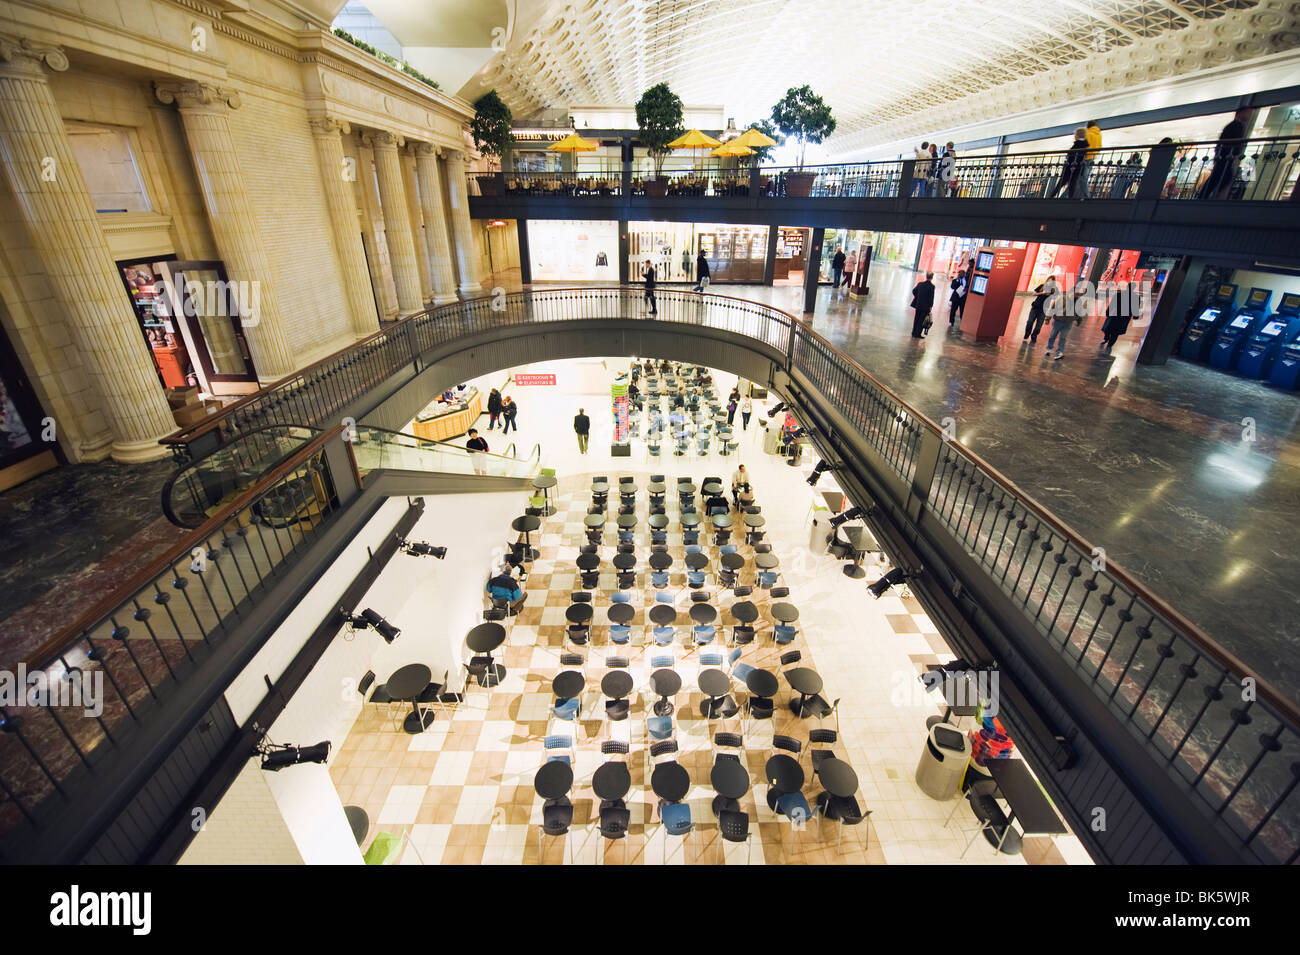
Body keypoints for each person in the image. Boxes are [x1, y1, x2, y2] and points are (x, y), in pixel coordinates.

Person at [1198, 108, 1251, 200]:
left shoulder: (1234, 125)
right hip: (1225, 156)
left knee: (1218, 176)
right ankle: (1205, 197)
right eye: (1247, 113)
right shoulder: (1236, 125)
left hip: (1224, 155)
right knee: (1223, 176)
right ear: (1240, 113)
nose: (1249, 116)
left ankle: (1205, 196)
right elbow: (1231, 141)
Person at [1045, 282, 1083, 360]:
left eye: (1078, 294)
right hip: (1058, 321)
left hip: (1068, 322)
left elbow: (1079, 312)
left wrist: (1079, 320)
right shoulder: (1061, 298)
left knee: (1063, 337)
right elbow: (1052, 307)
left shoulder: (1078, 301)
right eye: (1076, 293)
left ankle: (1060, 352)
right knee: (1052, 336)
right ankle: (1049, 348)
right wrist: (1047, 318)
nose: (1077, 295)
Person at [1049, 129, 1089, 199]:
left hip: (1071, 166)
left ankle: (1051, 196)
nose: (1074, 136)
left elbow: (1074, 155)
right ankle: (1070, 199)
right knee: (1072, 183)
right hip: (1076, 167)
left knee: (1063, 182)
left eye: (1075, 134)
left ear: (1078, 135)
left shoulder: (1078, 144)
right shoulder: (1084, 145)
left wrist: (1071, 164)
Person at [1101, 281, 1135, 350]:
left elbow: (1112, 304)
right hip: (1124, 317)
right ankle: (1110, 343)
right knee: (1116, 331)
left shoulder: (1119, 294)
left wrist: (1108, 312)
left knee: (1109, 328)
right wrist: (1135, 316)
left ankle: (1106, 339)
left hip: (1116, 314)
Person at [1024, 277, 1057, 343]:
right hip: (1035, 307)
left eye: (1051, 282)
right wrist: (1042, 293)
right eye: (1049, 281)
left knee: (1039, 326)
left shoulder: (1054, 290)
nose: (1049, 283)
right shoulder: (1042, 286)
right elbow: (1034, 294)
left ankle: (1034, 336)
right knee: (1030, 322)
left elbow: (1054, 299)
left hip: (1043, 310)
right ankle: (1027, 333)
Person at [910, 272, 936, 338]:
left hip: (918, 304)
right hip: (926, 306)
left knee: (916, 318)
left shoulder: (920, 284)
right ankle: (917, 334)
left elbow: (914, 291)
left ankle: (913, 332)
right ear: (932, 278)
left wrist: (918, 297)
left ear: (926, 276)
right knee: (921, 320)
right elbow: (931, 297)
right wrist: (931, 306)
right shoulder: (932, 286)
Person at [1081, 120, 1102, 197]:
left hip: (1085, 157)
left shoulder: (1088, 133)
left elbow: (1085, 146)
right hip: (1092, 158)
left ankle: (1086, 195)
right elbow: (1100, 146)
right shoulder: (1099, 135)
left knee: (1081, 178)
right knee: (1084, 177)